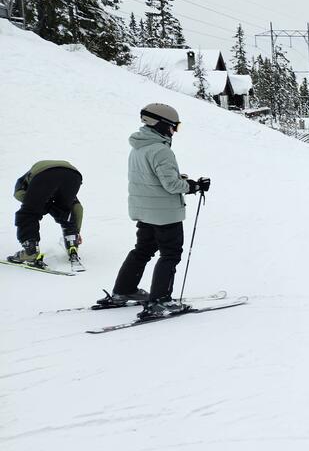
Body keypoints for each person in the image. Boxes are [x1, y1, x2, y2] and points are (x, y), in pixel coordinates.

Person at [105, 104, 211, 318]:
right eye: (174, 127)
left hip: (145, 211)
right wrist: (194, 186)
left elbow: (151, 180)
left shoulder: (139, 148)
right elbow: (171, 185)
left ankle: (124, 291)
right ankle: (160, 301)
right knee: (170, 254)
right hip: (164, 214)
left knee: (142, 251)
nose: (174, 131)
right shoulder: (161, 150)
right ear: (162, 124)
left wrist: (181, 181)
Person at [7, 160, 84, 267]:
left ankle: (31, 252)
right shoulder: (60, 178)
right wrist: (76, 231)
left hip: (45, 174)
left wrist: (40, 206)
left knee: (27, 213)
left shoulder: (23, 181)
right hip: (73, 176)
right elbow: (77, 208)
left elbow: (18, 193)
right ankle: (72, 243)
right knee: (65, 210)